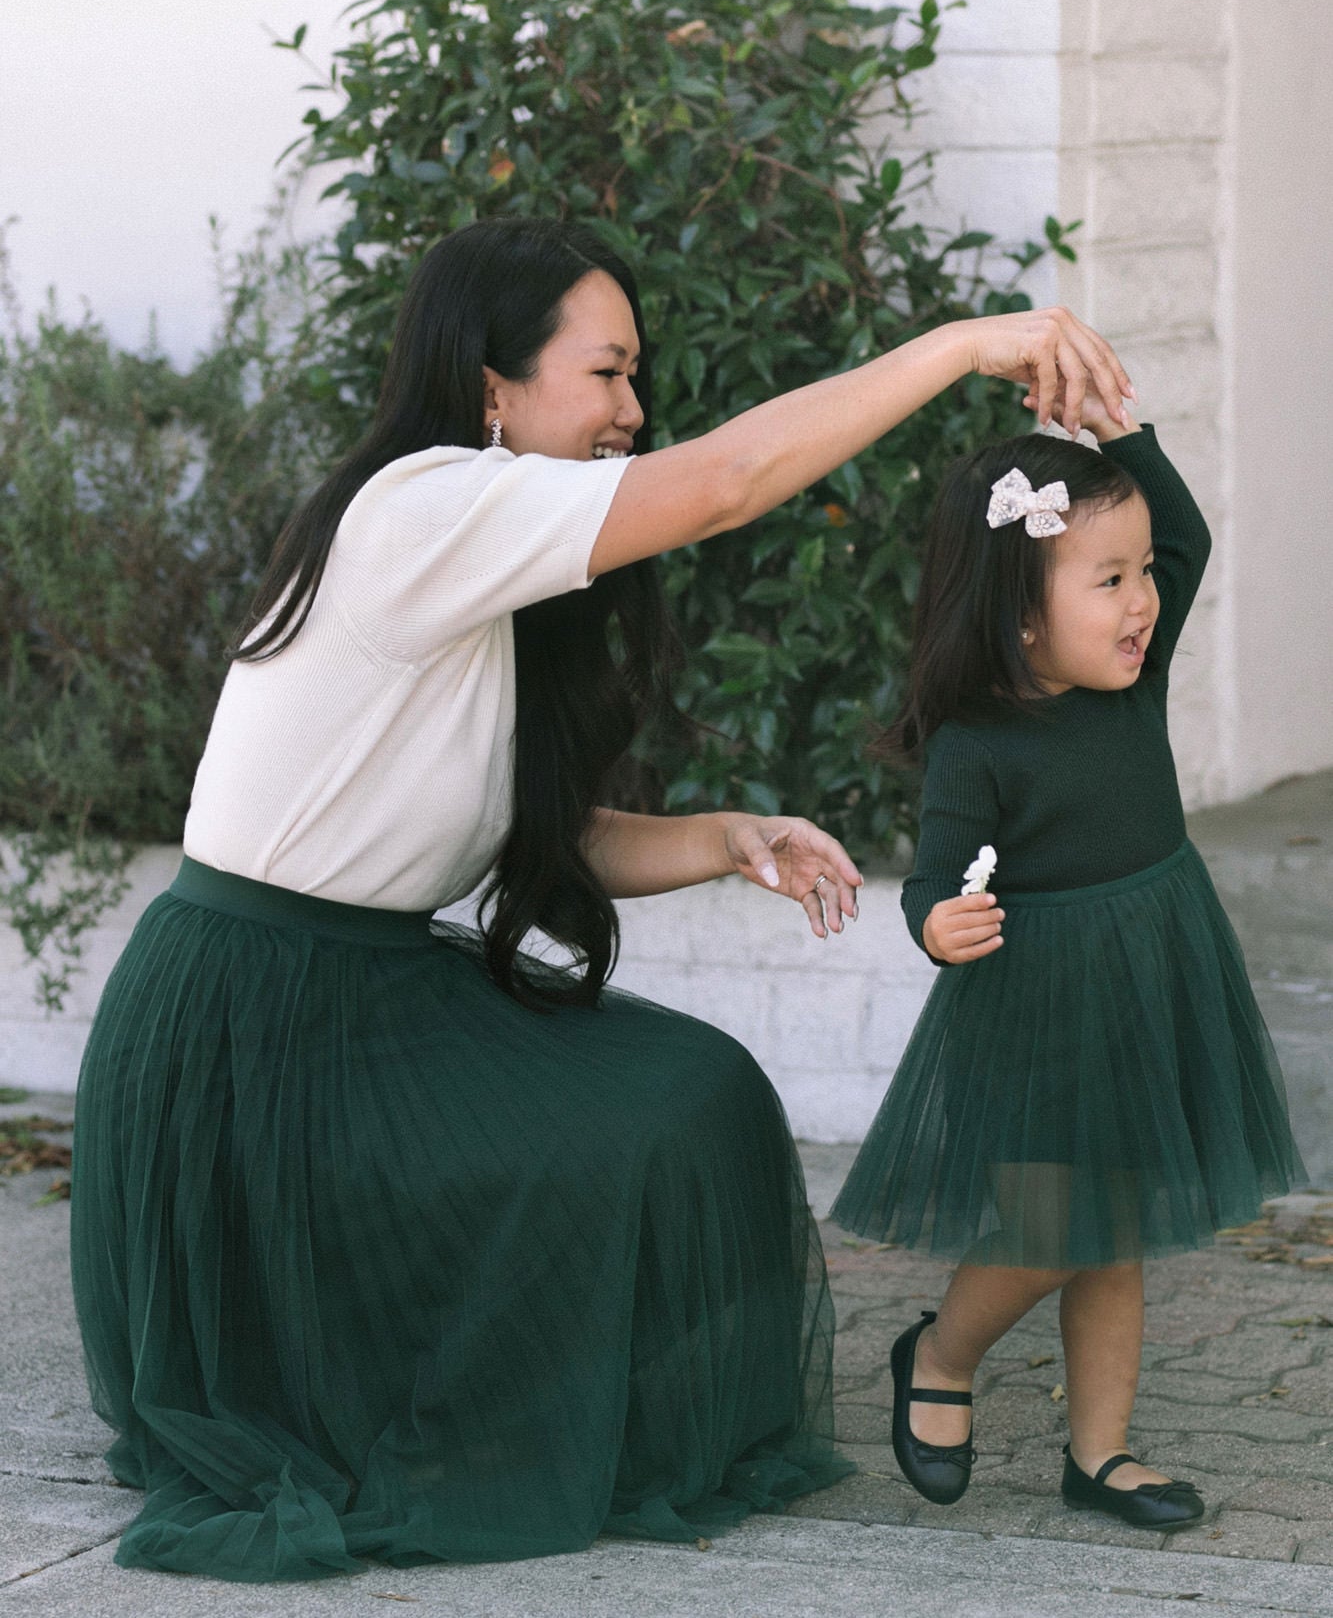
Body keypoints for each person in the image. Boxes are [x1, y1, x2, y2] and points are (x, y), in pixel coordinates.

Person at [70, 215, 1134, 1582]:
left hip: (361, 991)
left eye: (640, 379)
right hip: (253, 1030)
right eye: (608, 373)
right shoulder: (419, 505)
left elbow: (520, 826)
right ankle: (480, 1412)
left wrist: (724, 834)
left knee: (690, 1088)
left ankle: (554, 1414)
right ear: (492, 386)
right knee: (628, 1123)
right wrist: (964, 345)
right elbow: (730, 479)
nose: (636, 411)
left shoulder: (480, 555)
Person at [832, 389, 1305, 1530]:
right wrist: (938, 921)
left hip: (1154, 967)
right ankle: (940, 1353)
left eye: (1142, 575)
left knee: (1118, 1224)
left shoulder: (1130, 677)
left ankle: (1098, 1453)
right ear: (1019, 617)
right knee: (1048, 1227)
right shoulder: (978, 743)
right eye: (1110, 580)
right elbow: (936, 873)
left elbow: (1183, 531)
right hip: (1041, 1003)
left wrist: (1119, 437)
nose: (1144, 599)